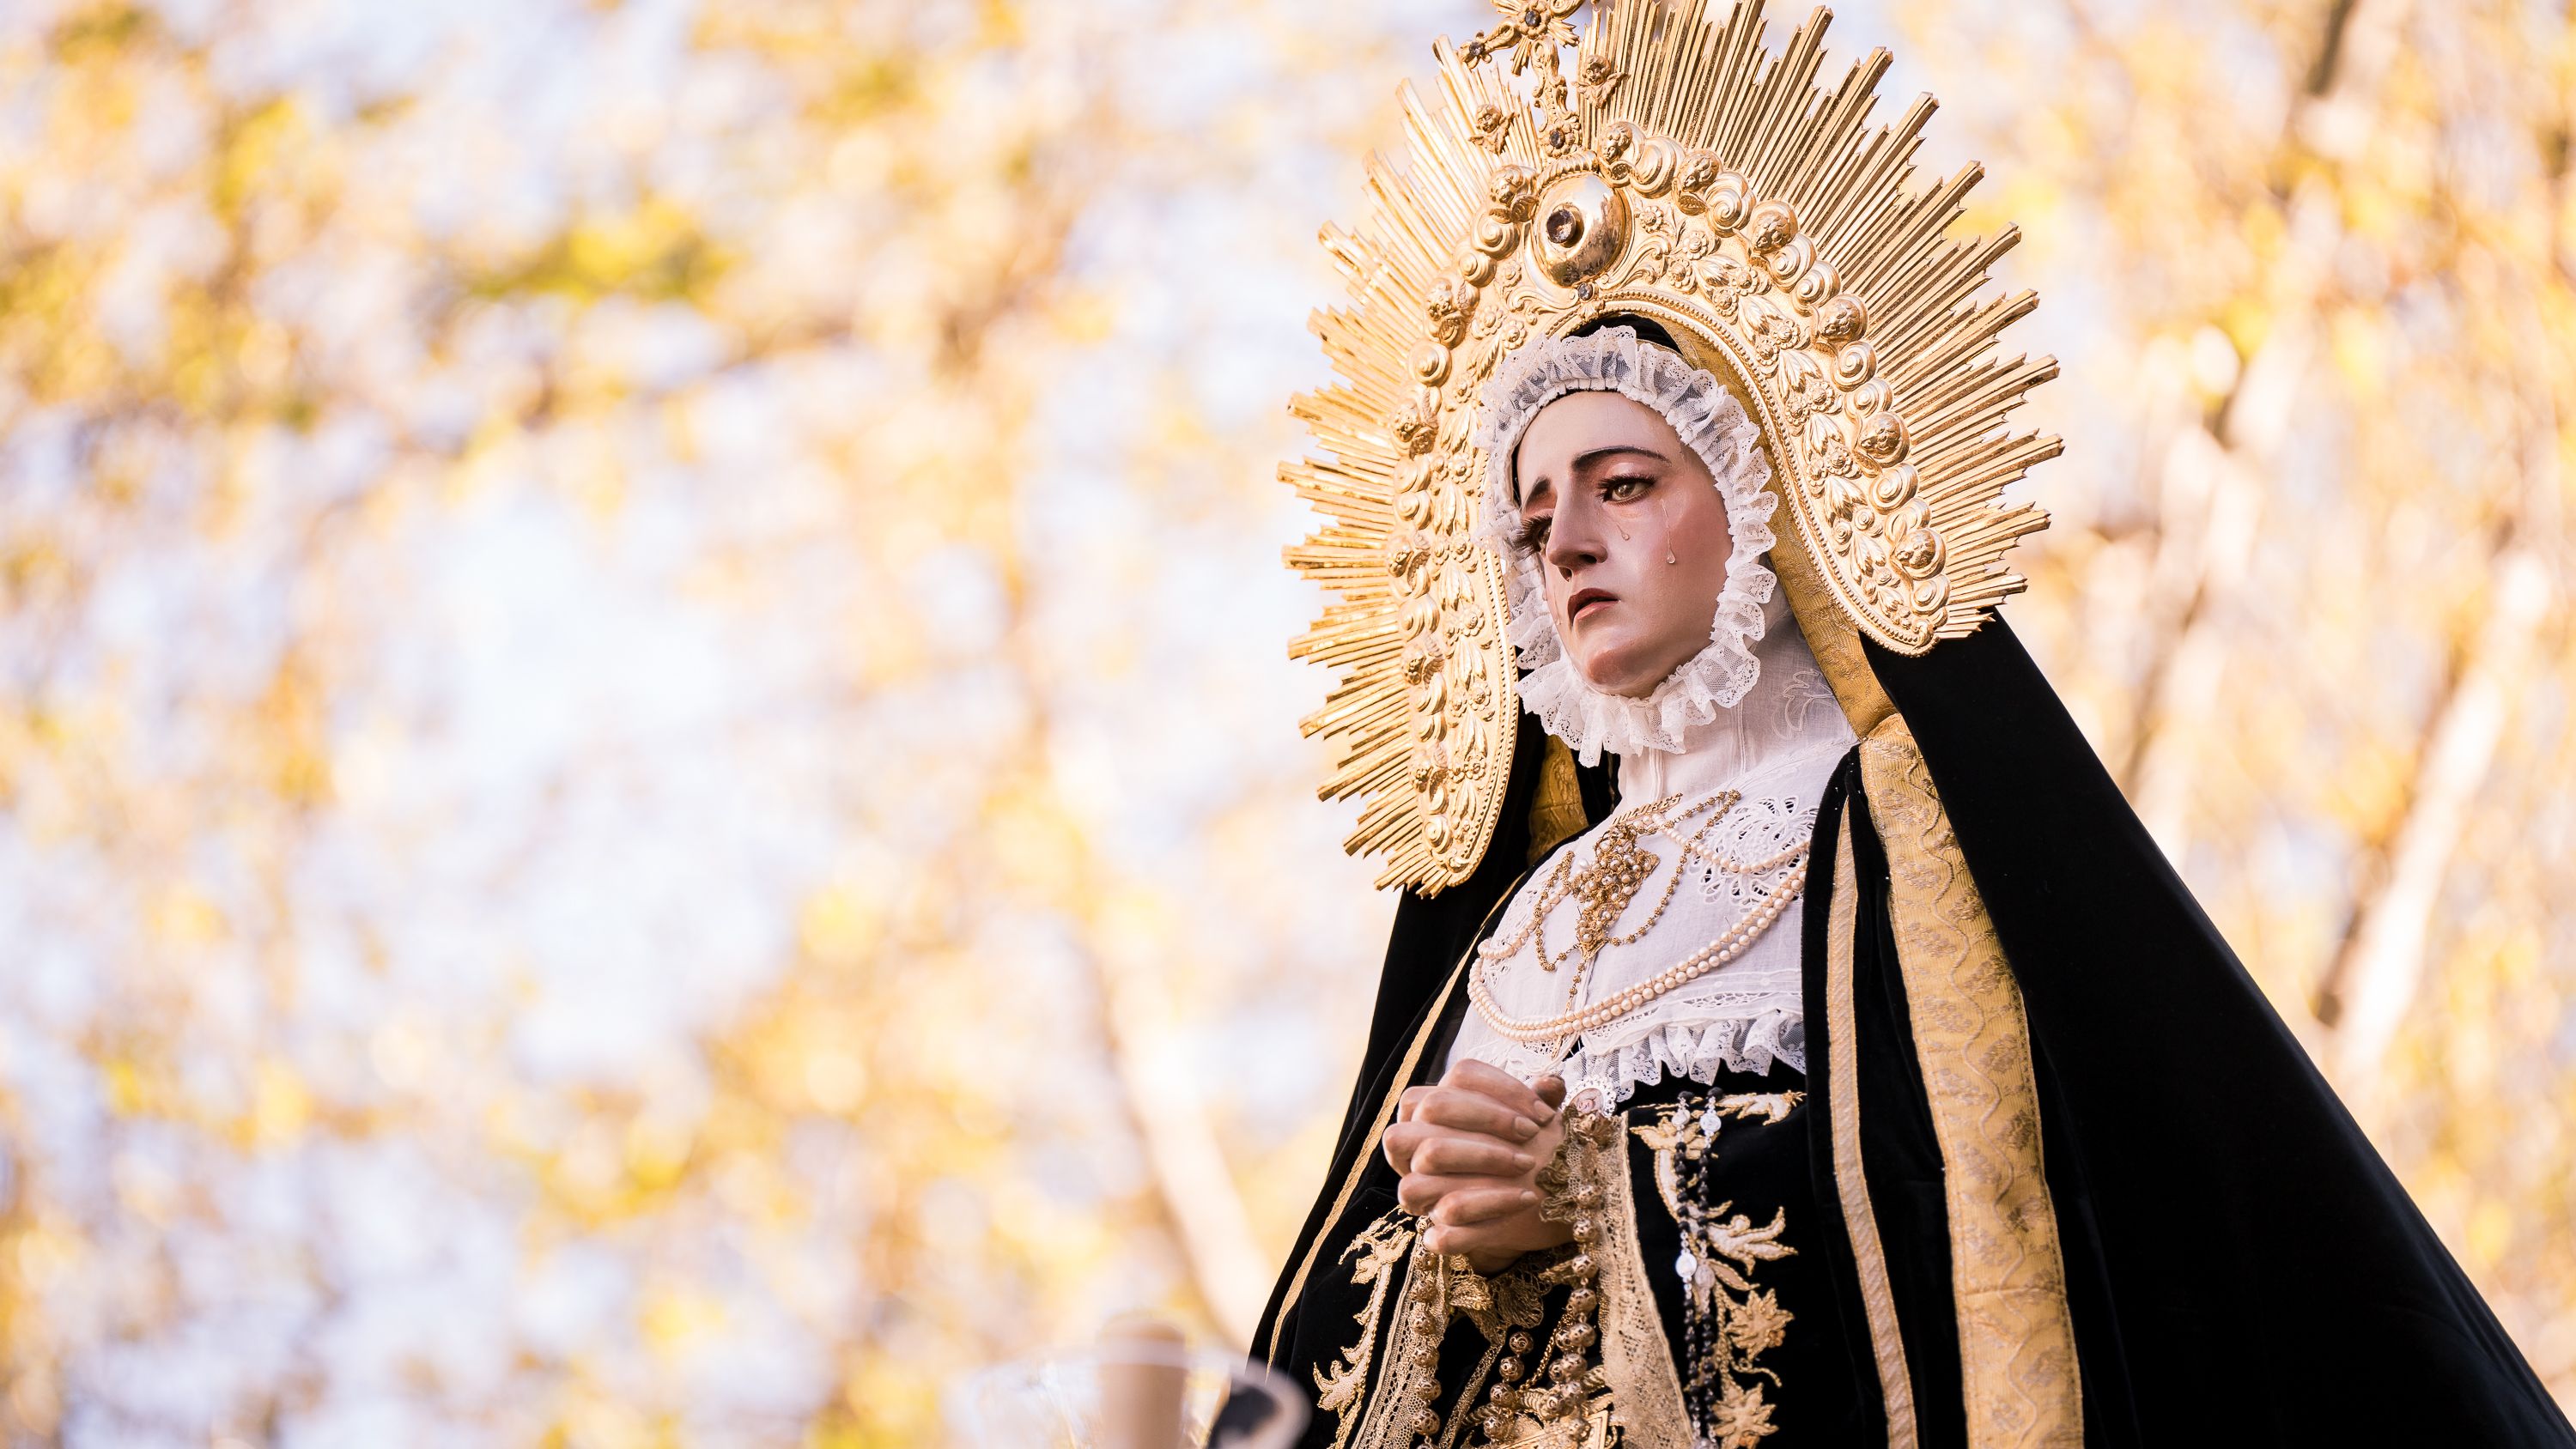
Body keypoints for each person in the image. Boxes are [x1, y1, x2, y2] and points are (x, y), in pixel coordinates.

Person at [1253, 7, 2576, 1446]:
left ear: (1768, 506)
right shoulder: (1513, 924)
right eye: (1532, 514)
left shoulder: (1895, 837)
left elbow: (1995, 1219)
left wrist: (1594, 1192)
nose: (1564, 541)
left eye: (1624, 483)